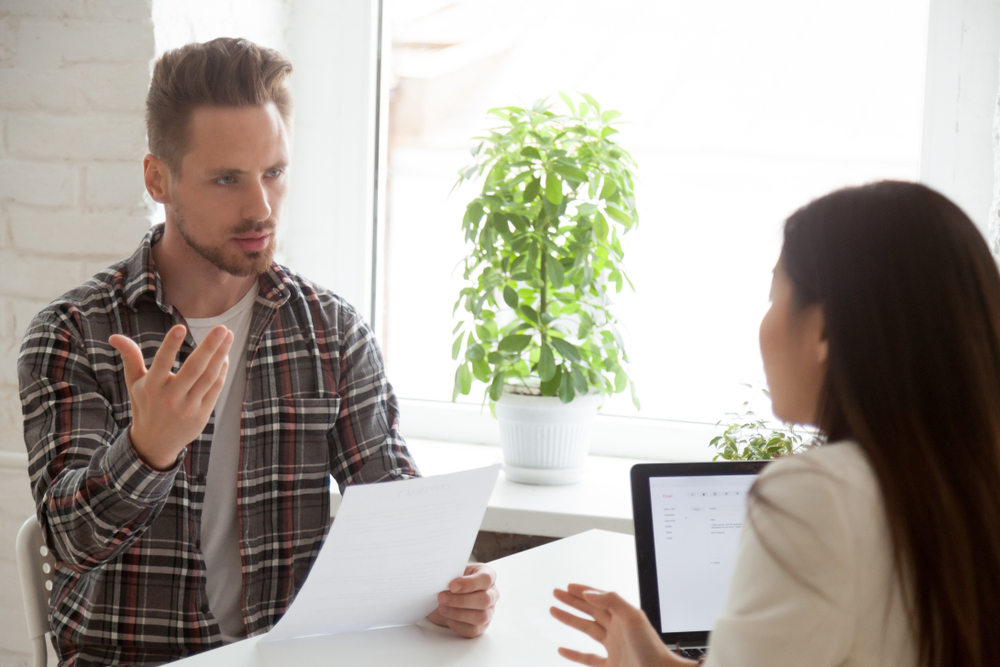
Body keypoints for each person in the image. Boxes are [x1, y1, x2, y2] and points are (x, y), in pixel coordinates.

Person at [17, 38, 498, 667]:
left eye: (274, 171)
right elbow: (69, 542)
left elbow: (393, 511)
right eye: (227, 179)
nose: (260, 207)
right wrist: (148, 450)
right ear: (158, 178)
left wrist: (449, 588)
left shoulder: (330, 332)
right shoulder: (72, 333)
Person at [551, 181, 1000, 667]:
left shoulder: (819, 492)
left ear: (824, 329)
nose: (764, 325)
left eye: (773, 297)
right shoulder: (965, 484)